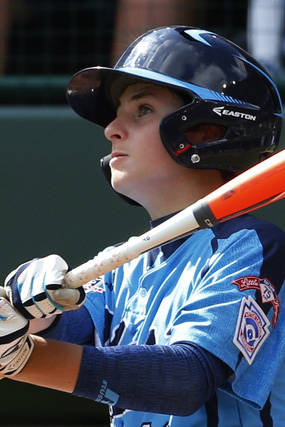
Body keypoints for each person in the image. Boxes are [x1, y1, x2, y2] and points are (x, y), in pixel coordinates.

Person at [0, 26, 285, 426]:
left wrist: (21, 359)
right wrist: (27, 313)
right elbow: (71, 335)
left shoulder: (250, 245)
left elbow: (185, 380)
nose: (111, 130)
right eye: (117, 115)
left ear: (207, 130)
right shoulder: (126, 265)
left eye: (142, 110)